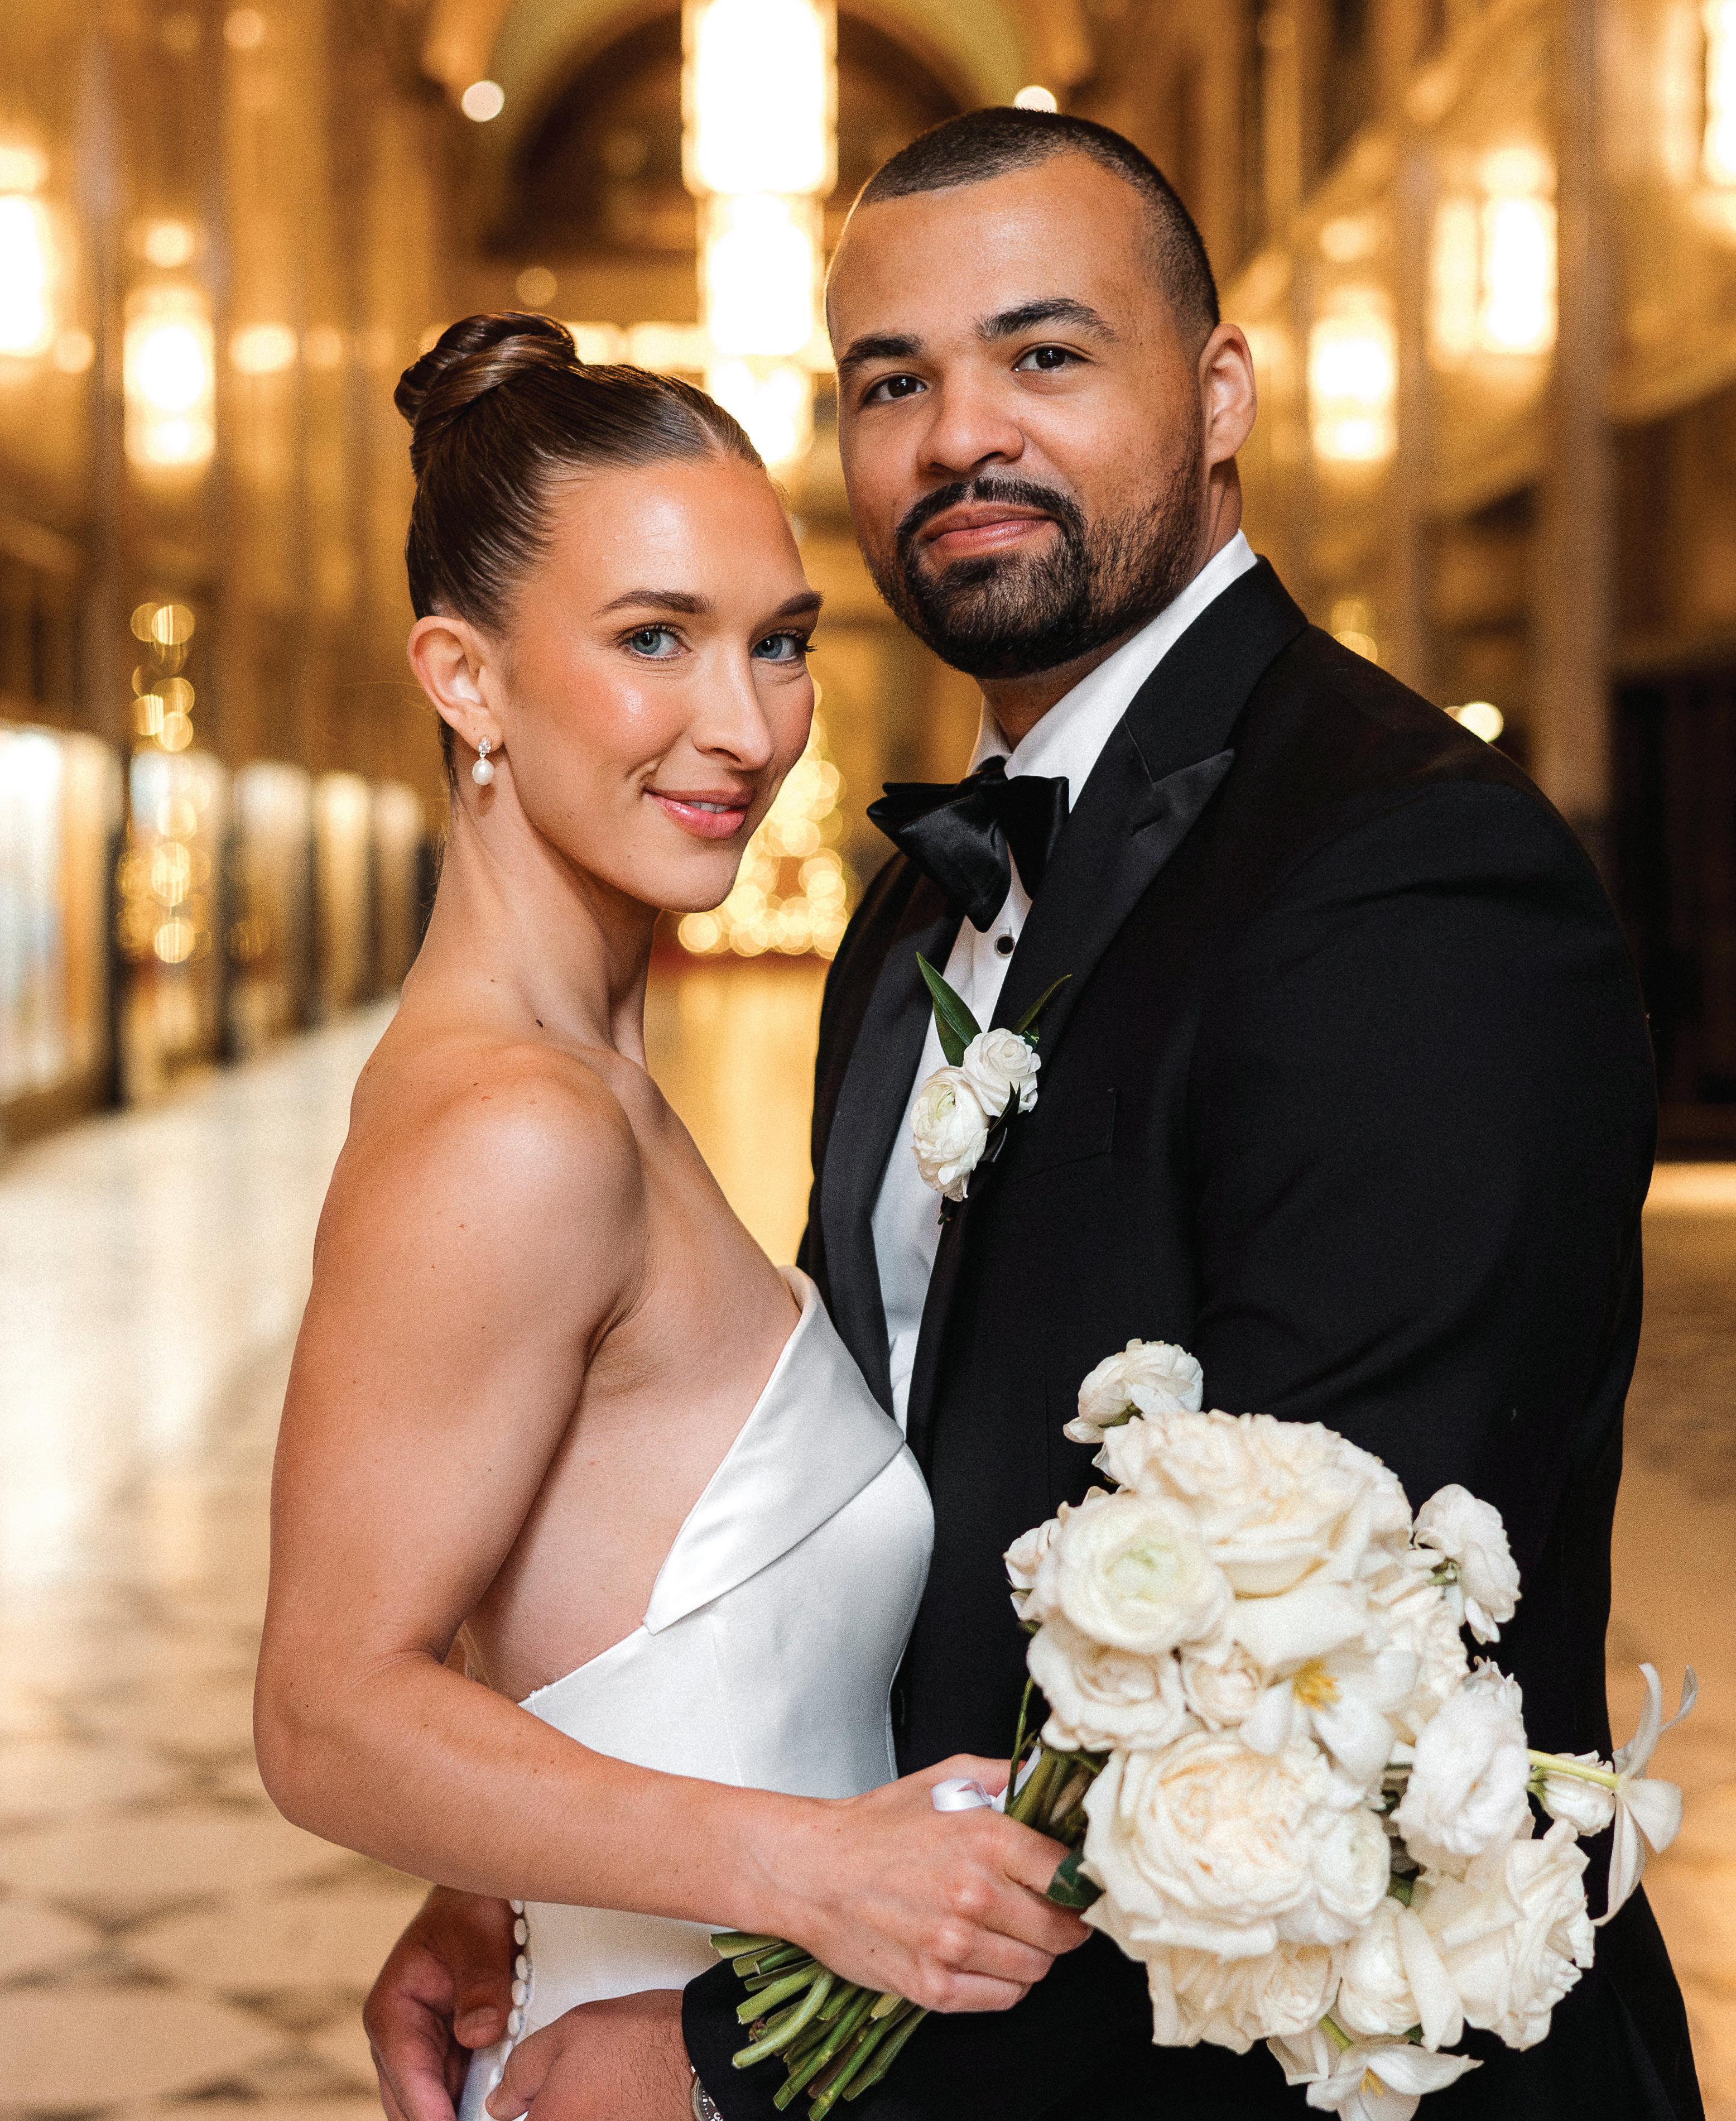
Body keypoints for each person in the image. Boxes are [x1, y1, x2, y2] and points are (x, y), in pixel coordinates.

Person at [364, 112, 1704, 2121]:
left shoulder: (1408, 879)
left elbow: (1321, 1722)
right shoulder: (915, 912)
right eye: (890, 382)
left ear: (1221, 394)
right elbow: (845, 1526)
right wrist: (556, 1854)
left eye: (1046, 355)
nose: (960, 436)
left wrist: (728, 2060)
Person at [252, 311, 1088, 2121]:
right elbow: (326, 1712)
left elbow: (587, 1620)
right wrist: (813, 1871)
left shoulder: (597, 1088)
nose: (747, 726)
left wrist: (500, 1870)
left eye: (778, 642)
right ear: (464, 680)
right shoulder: (517, 1132)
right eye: (654, 640)